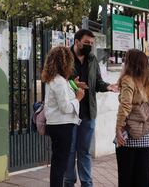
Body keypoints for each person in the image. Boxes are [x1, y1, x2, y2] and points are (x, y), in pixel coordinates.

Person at [64, 29, 119, 187]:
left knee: (84, 152)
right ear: (77, 42)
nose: (90, 46)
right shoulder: (64, 57)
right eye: (87, 43)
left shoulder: (92, 59)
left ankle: (87, 184)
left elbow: (97, 83)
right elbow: (58, 81)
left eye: (92, 43)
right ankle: (68, 181)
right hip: (69, 113)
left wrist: (108, 87)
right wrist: (73, 84)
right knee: (69, 151)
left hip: (88, 113)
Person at [42, 46, 85, 187]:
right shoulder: (59, 81)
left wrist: (73, 85)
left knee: (58, 162)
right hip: (62, 126)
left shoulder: (55, 79)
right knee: (60, 164)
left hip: (58, 125)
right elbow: (65, 107)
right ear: (64, 62)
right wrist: (78, 98)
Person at [115, 49, 149, 187]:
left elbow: (125, 106)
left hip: (128, 134)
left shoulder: (128, 79)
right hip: (145, 135)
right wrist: (142, 114)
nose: (123, 62)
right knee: (143, 177)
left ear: (129, 63)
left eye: (125, 59)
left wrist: (118, 128)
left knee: (126, 176)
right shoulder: (146, 80)